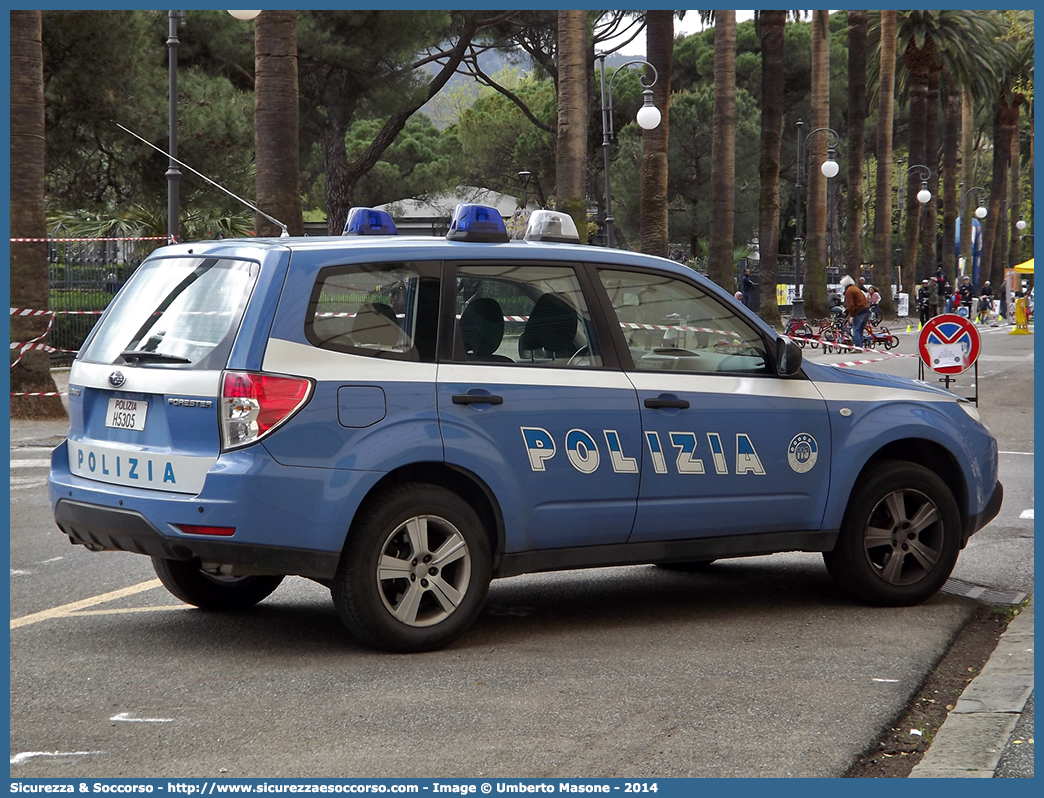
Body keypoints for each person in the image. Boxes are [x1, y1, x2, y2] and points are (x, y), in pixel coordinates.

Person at [840, 274, 870, 349]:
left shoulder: (849, 291)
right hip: (866, 310)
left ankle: (857, 347)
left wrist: (851, 315)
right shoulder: (855, 288)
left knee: (856, 329)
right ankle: (860, 345)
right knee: (860, 330)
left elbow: (851, 304)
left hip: (859, 311)